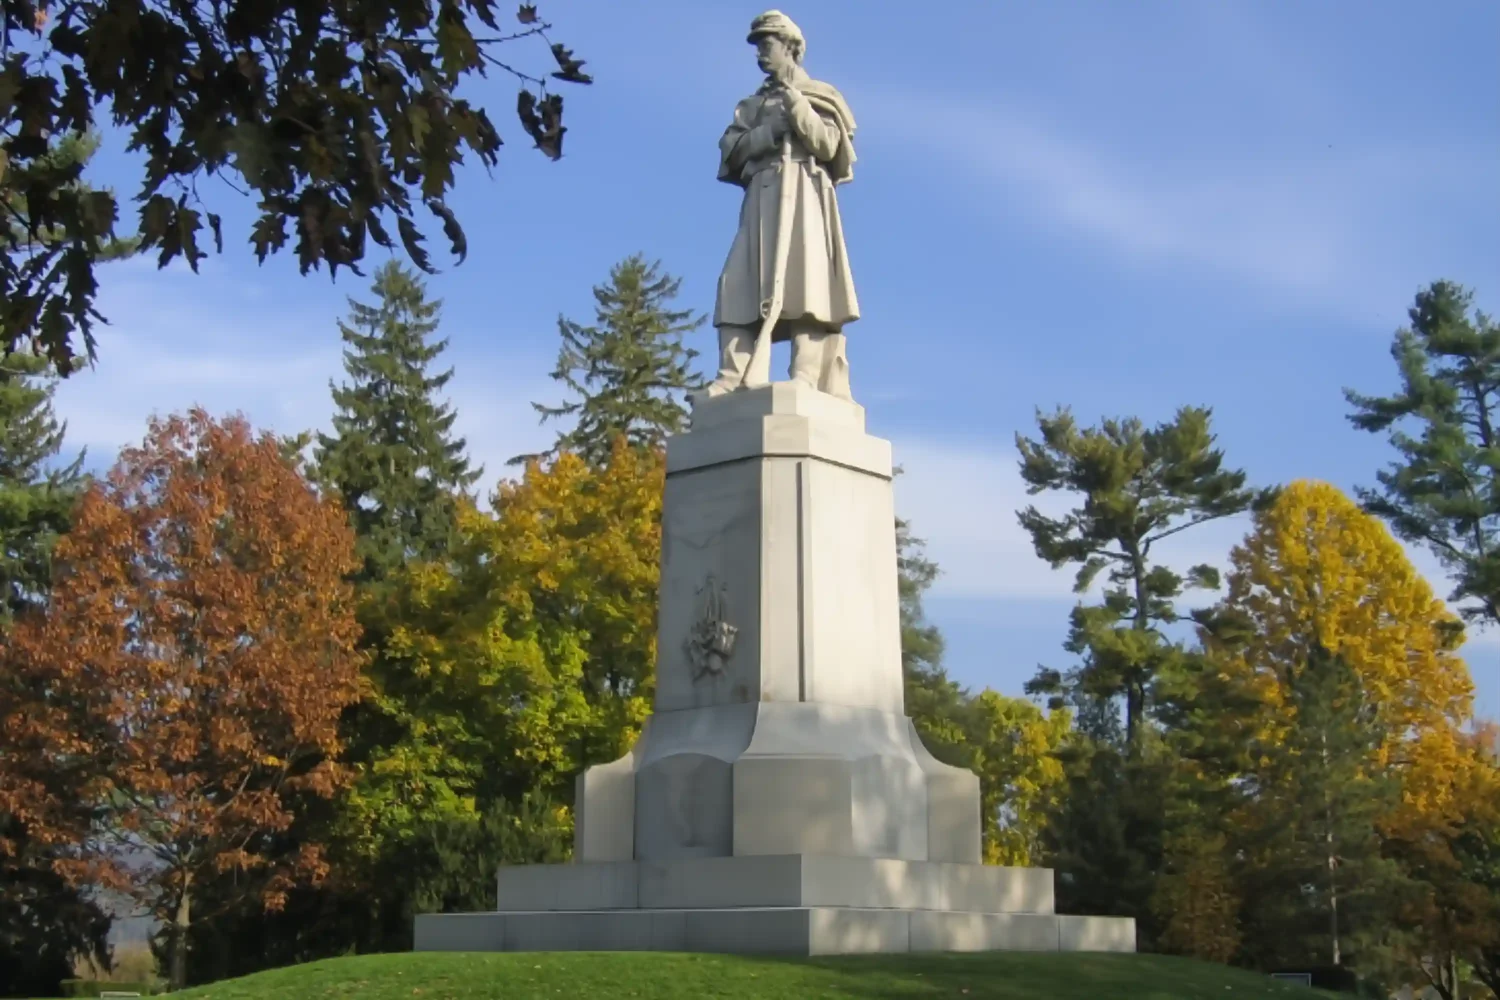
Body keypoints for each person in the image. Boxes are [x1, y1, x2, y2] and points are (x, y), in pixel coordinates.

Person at [699, 10, 860, 402]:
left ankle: (806, 372)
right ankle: (731, 374)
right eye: (757, 47)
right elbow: (731, 151)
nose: (760, 55)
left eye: (766, 45)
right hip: (761, 195)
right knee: (737, 283)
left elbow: (828, 145)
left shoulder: (822, 95)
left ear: (790, 47)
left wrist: (797, 108)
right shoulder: (752, 105)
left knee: (807, 283)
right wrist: (770, 132)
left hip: (805, 191)